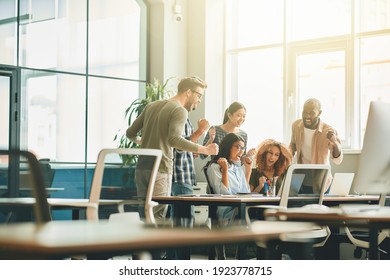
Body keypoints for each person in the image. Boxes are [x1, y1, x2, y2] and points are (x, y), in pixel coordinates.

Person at [126, 76, 219, 222]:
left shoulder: (151, 106)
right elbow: (174, 140)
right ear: (188, 92)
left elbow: (130, 133)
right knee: (157, 216)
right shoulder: (179, 110)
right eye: (199, 95)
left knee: (145, 216)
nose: (199, 100)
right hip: (161, 168)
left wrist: (144, 141)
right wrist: (205, 150)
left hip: (142, 168)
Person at [204, 133, 253, 259]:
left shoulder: (237, 168)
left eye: (243, 148)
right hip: (226, 212)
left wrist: (248, 171)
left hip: (239, 209)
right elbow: (224, 194)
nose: (241, 152)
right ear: (228, 147)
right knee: (249, 213)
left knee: (256, 211)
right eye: (238, 147)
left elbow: (245, 192)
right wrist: (225, 171)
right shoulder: (214, 167)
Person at [289, 98, 343, 192]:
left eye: (312, 113)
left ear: (319, 113)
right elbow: (293, 144)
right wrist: (286, 156)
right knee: (299, 205)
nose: (307, 116)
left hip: (321, 178)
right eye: (305, 112)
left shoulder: (328, 130)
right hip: (302, 176)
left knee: (319, 207)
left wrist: (334, 142)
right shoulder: (296, 125)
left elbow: (338, 159)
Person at [171, 117, 211, 225]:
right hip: (181, 175)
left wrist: (191, 153)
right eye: (198, 98)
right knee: (186, 222)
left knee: (179, 222)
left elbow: (182, 146)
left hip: (184, 176)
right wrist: (201, 130)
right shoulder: (179, 116)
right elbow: (179, 146)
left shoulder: (186, 118)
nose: (198, 101)